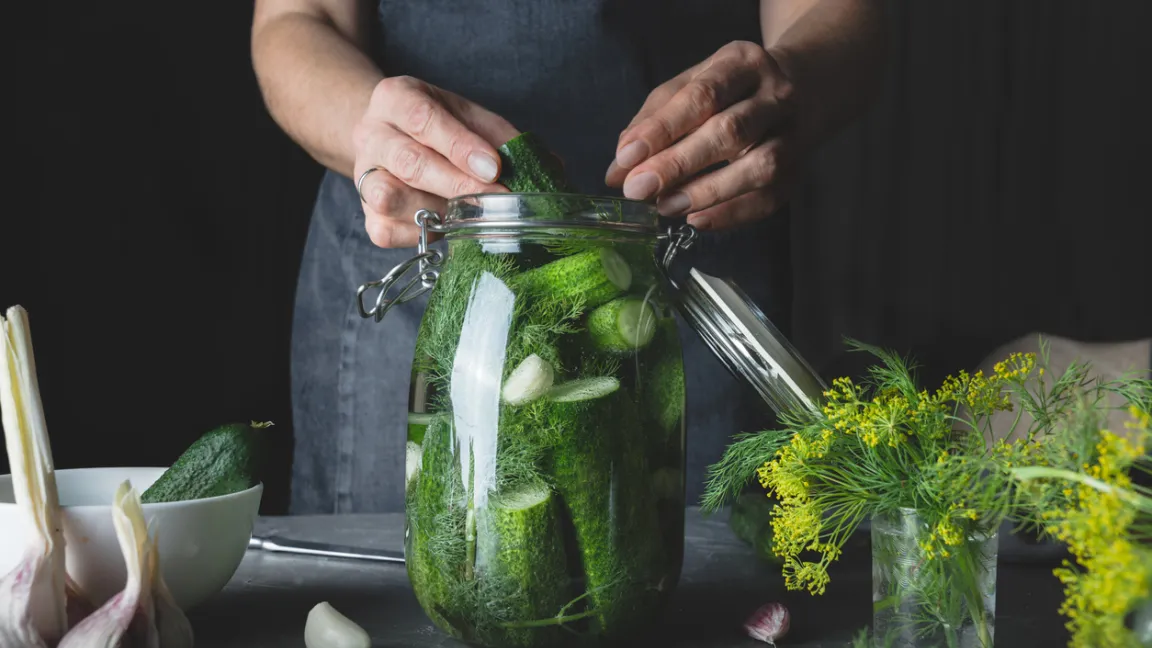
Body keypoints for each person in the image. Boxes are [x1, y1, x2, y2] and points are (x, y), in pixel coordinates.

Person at [250, 0, 888, 514]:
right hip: (430, 256)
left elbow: (838, 16)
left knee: (694, 597)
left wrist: (793, 81)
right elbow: (297, 20)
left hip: (685, 272)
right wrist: (374, 127)